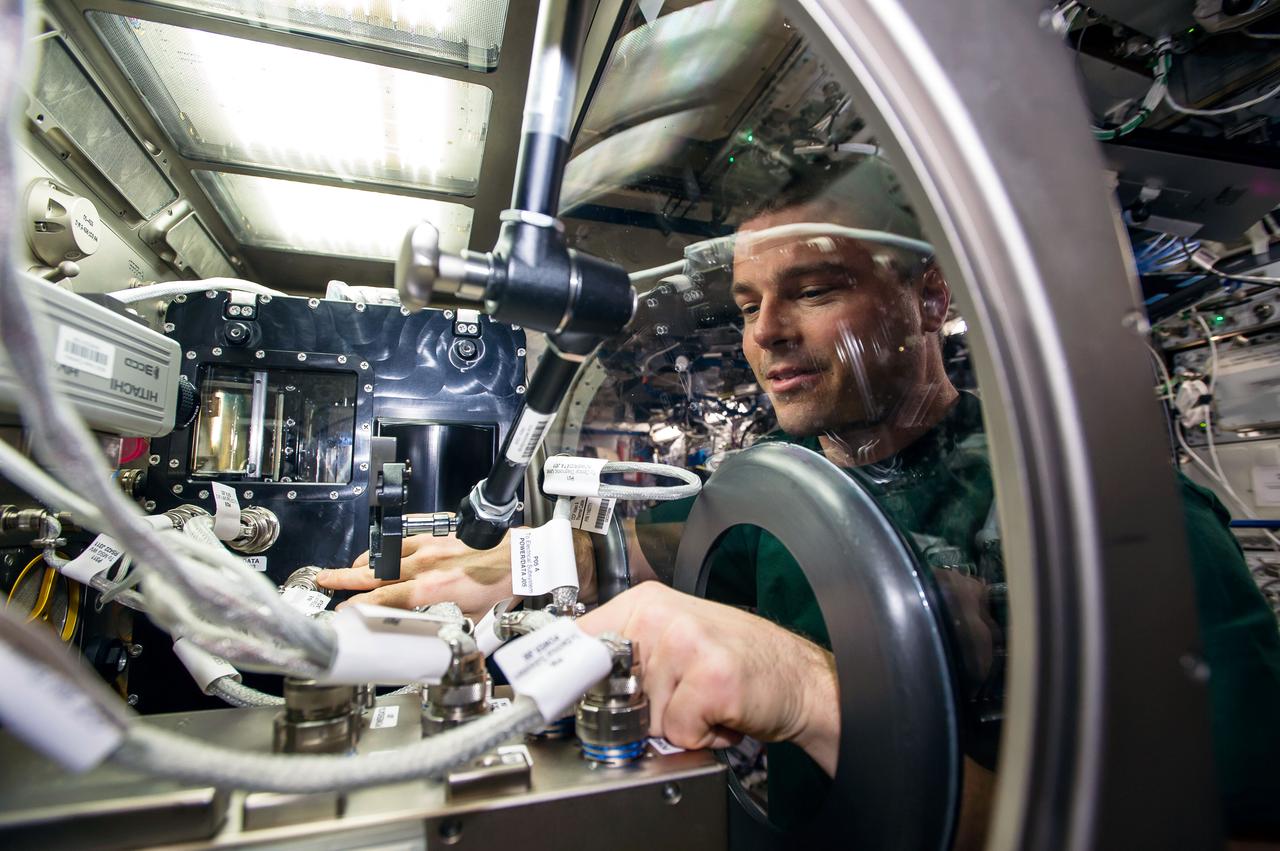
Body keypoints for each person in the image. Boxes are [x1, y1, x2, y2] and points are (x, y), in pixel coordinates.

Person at [318, 159, 1280, 839]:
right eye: (746, 306)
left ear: (930, 296)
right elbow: (642, 553)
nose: (768, 334)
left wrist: (813, 691)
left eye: (815, 289)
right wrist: (495, 566)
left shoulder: (1110, 516)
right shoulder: (791, 487)